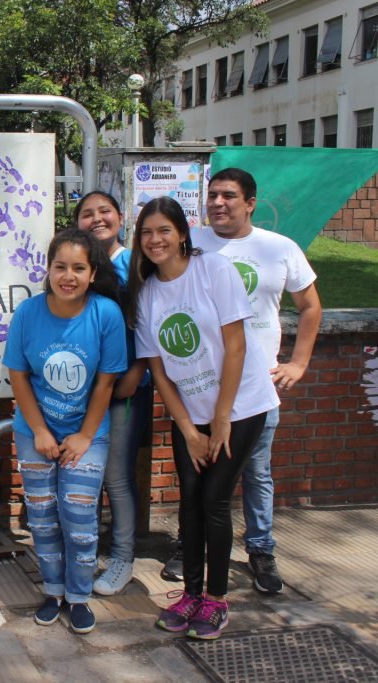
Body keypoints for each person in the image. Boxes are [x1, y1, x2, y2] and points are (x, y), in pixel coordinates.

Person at [128, 197, 279, 640]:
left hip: (242, 406)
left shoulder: (213, 270)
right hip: (191, 415)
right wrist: (189, 430)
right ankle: (191, 594)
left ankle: (216, 600)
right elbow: (159, 371)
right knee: (190, 500)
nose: (155, 240)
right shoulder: (147, 293)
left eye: (164, 230)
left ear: (182, 234)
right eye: (146, 233)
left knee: (214, 499)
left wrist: (222, 417)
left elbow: (236, 346)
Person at [188, 167, 319, 594]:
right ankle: (191, 547)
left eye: (228, 195)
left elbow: (310, 306)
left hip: (255, 389)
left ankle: (261, 549)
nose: (217, 203)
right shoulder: (192, 243)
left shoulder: (278, 248)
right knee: (200, 474)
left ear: (250, 203)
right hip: (201, 385)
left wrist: (298, 363)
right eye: (212, 195)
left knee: (256, 473)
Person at [2, 228, 127, 635]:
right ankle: (53, 591)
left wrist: (85, 436)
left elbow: (106, 382)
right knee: (41, 518)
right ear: (48, 269)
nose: (68, 276)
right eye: (60, 267)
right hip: (34, 431)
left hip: (86, 433)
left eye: (78, 268)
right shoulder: (28, 312)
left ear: (93, 274)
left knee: (78, 515)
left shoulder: (106, 314)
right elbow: (18, 376)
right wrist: (39, 430)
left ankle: (78, 596)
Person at [73, 192, 153, 596]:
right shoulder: (77, 266)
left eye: (104, 211)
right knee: (83, 473)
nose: (97, 219)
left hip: (125, 391)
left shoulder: (136, 265)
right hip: (83, 391)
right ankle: (85, 554)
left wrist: (137, 371)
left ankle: (123, 557)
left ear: (120, 217)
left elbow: (150, 325)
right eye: (87, 214)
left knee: (117, 477)